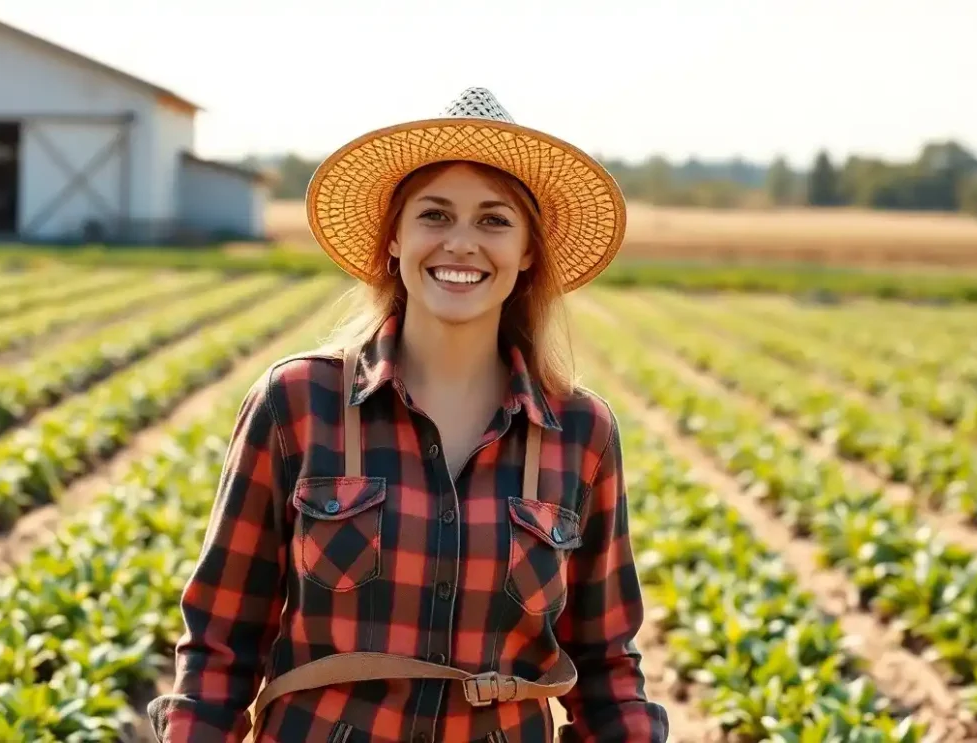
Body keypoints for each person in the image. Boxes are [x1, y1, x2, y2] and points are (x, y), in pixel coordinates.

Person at [148, 87, 670, 743]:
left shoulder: (579, 433)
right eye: (434, 215)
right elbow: (220, 649)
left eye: (494, 220)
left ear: (529, 251)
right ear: (394, 238)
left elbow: (606, 669)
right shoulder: (299, 404)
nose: (461, 243)